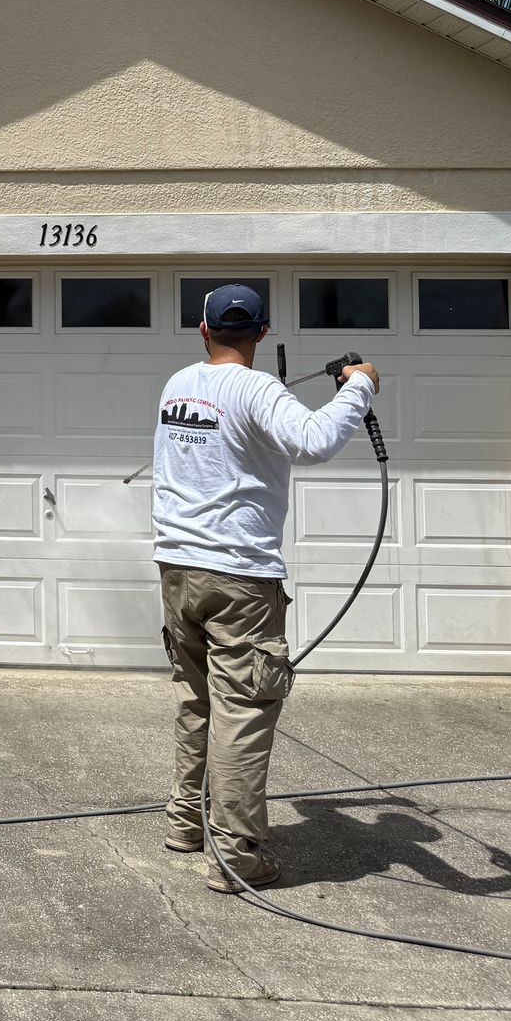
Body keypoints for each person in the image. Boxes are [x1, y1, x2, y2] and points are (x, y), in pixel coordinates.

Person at [151, 283, 379, 892]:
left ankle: (184, 822)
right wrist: (358, 385)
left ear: (202, 331)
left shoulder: (179, 385)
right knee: (244, 712)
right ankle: (238, 857)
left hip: (177, 572)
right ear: (261, 332)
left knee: (197, 698)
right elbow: (315, 440)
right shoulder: (257, 388)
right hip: (239, 578)